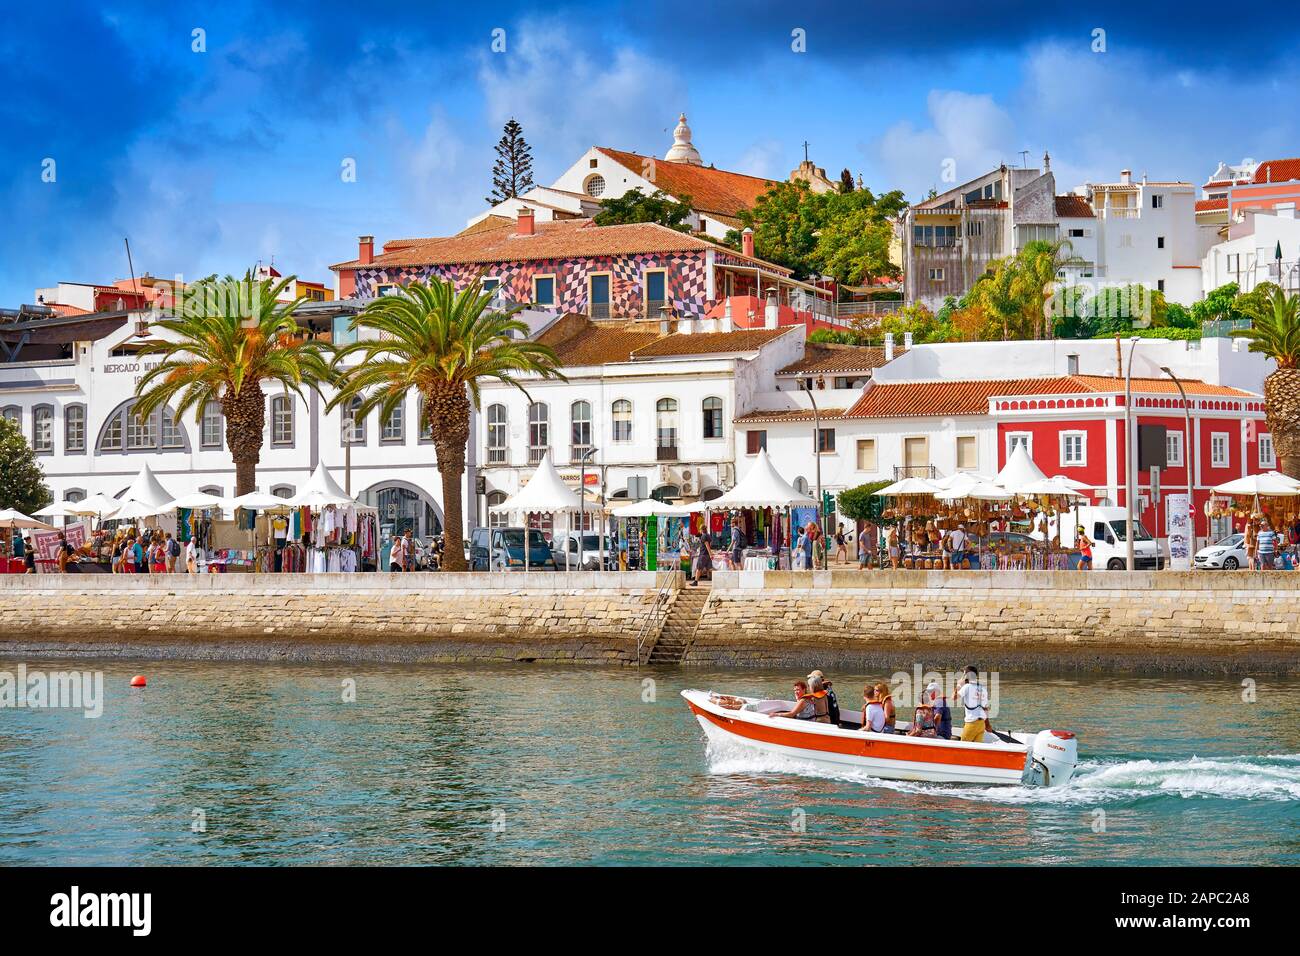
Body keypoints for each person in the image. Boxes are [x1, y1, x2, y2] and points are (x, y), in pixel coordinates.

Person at [955, 665, 990, 742]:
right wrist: (987, 725)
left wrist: (958, 685)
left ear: (966, 675)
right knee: (976, 751)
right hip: (981, 724)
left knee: (962, 749)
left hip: (971, 723)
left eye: (963, 674)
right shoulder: (983, 688)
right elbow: (986, 708)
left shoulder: (966, 687)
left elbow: (953, 697)